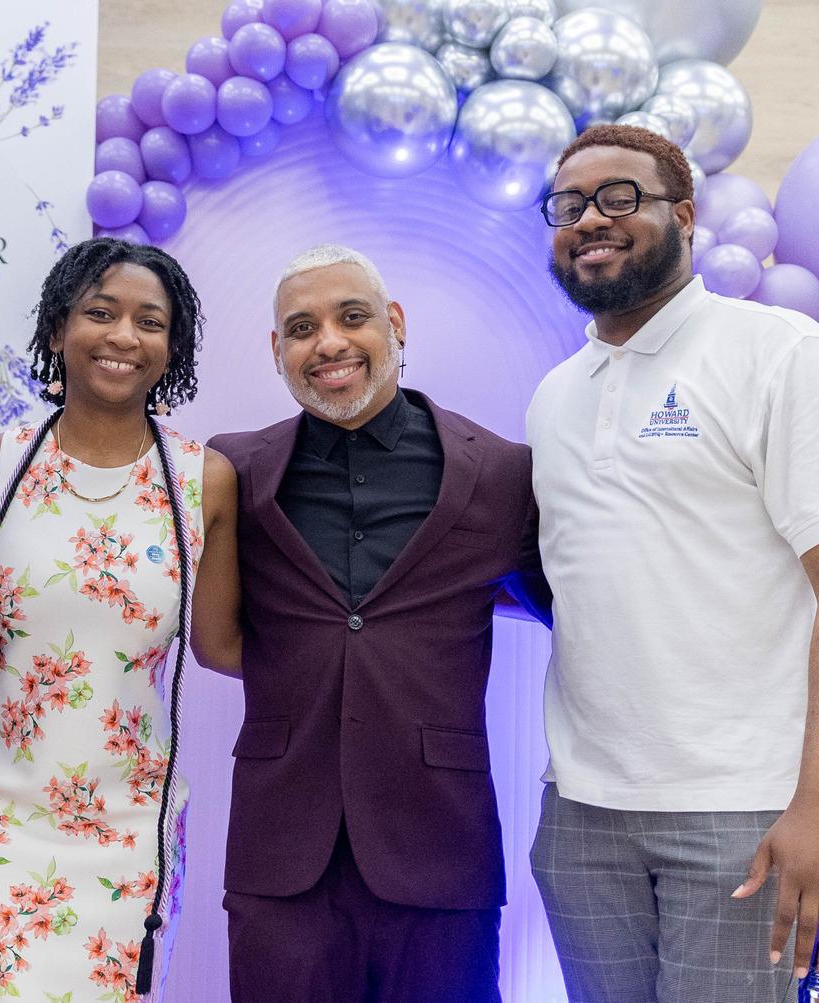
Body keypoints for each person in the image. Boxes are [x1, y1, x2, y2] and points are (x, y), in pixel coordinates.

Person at [527, 124, 819, 1002]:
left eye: (621, 197)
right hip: (581, 813)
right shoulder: (553, 395)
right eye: (570, 204)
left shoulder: (778, 353)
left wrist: (818, 802)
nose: (591, 219)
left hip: (742, 811)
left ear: (684, 216)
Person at [206, 244, 550, 1003]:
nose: (327, 342)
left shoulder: (500, 475)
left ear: (393, 324)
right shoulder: (233, 470)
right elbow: (214, 636)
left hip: (441, 853)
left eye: (351, 316)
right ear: (277, 352)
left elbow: (569, 612)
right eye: (301, 328)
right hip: (280, 854)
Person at [0, 237, 240, 1001]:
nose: (123, 336)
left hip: (132, 830)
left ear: (171, 346)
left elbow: (222, 647)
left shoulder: (202, 481)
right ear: (57, 330)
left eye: (150, 321)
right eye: (100, 313)